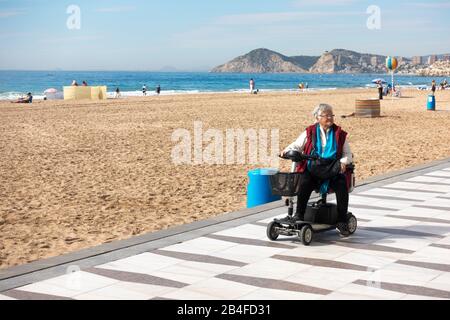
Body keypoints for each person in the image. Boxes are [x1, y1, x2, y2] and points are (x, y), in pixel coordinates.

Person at [280, 103, 353, 235]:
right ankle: (299, 215)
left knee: (342, 185)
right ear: (317, 117)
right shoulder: (310, 131)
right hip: (314, 169)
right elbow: (297, 145)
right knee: (304, 182)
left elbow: (347, 154)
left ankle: (342, 220)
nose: (330, 118)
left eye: (331, 115)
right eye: (326, 116)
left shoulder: (339, 133)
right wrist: (286, 150)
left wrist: (343, 161)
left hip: (333, 170)